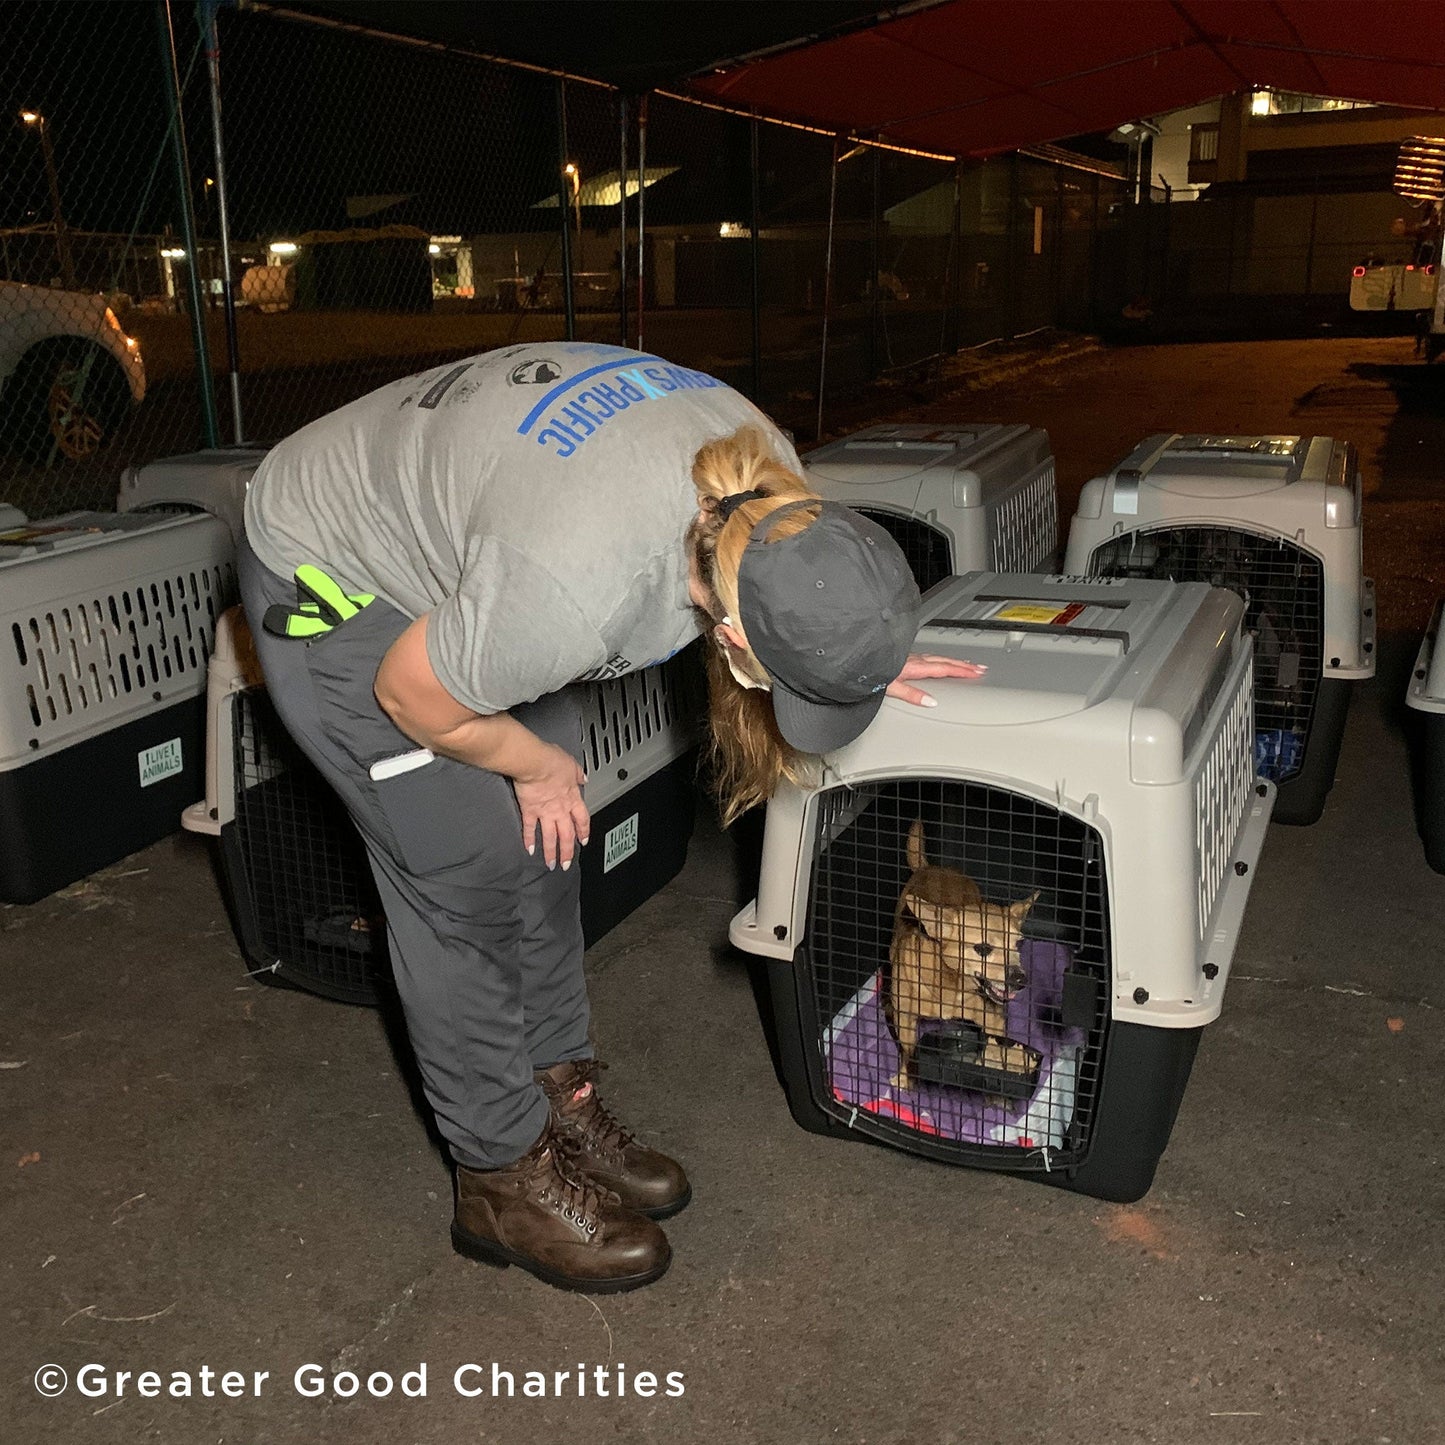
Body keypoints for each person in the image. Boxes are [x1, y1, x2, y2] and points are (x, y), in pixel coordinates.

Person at [239, 342, 982, 1295]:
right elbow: (412, 692)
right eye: (778, 674)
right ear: (730, 636)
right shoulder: (571, 594)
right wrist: (535, 760)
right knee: (462, 872)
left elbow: (800, 591)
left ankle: (555, 1094)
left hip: (493, 540)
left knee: (548, 841)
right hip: (335, 570)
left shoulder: (767, 482)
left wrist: (853, 655)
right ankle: (497, 1175)